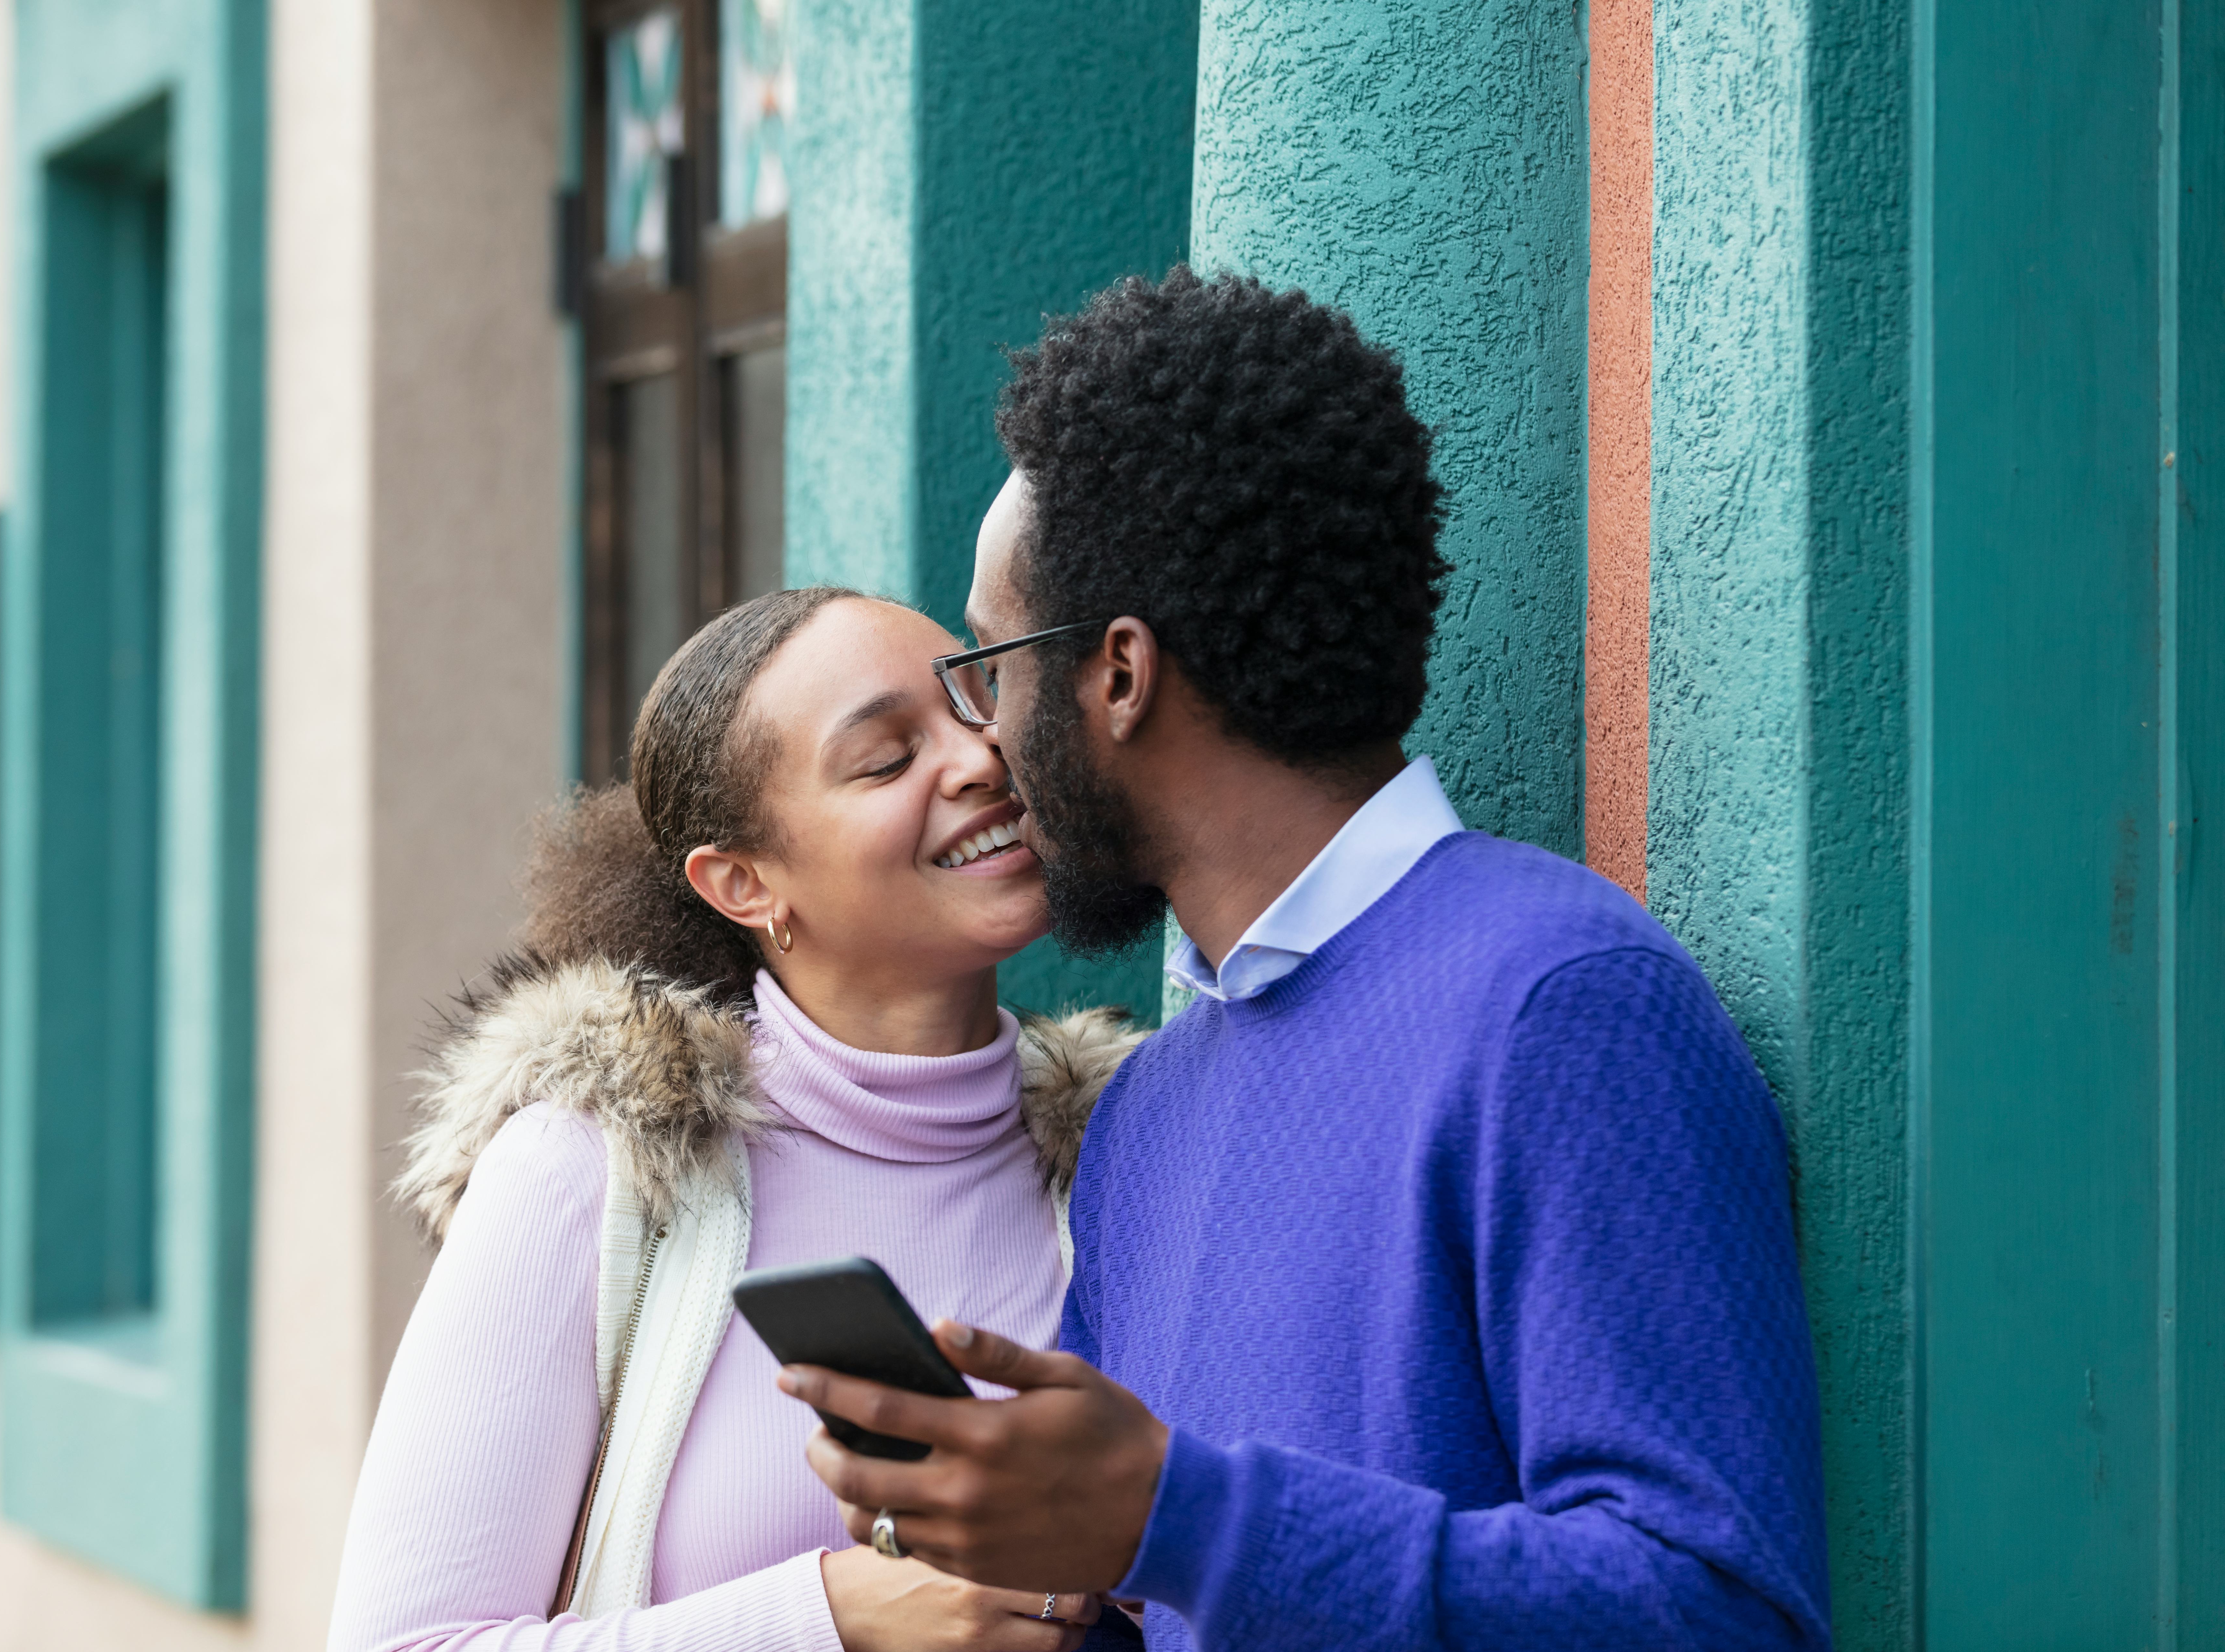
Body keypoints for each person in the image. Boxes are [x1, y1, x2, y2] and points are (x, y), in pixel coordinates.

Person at [776, 270, 1834, 1650]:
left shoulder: (1563, 1006)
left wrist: (1180, 1518)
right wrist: (1033, 1571)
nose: (981, 743)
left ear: (1117, 676)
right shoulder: (1148, 1112)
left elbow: (1714, 1610)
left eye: (992, 661)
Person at [327, 586, 1141, 1652]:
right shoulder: (593, 1174)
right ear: (744, 883)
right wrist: (834, 1616)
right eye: (887, 760)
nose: (981, 760)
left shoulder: (1132, 1155)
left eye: (976, 705)